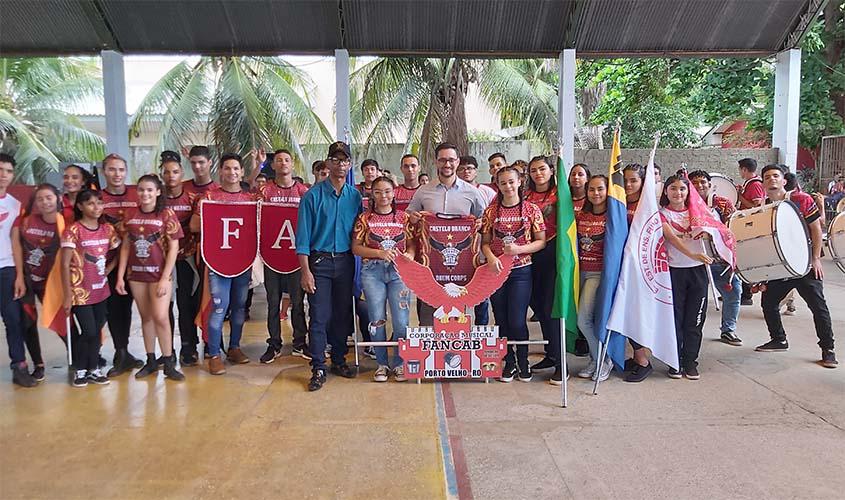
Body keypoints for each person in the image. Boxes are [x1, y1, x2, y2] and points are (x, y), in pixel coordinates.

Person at [754, 164, 837, 368]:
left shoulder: (801, 199)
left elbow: (816, 229)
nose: (771, 179)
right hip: (780, 268)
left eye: (775, 176)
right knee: (768, 303)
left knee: (818, 308)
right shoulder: (763, 207)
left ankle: (828, 349)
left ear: (784, 181)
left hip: (805, 265)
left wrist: (815, 258)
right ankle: (779, 339)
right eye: (767, 177)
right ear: (763, 183)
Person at [296, 141, 362, 391]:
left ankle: (338, 360)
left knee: (342, 315)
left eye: (344, 160)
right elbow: (302, 239)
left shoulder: (354, 196)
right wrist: (306, 271)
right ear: (328, 163)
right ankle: (318, 367)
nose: (340, 164)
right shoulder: (312, 196)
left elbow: (359, 233)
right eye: (335, 160)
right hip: (320, 263)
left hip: (345, 262)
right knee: (320, 316)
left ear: (350, 164)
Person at [190, 153, 258, 375]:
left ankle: (234, 347)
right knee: (219, 308)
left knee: (239, 307)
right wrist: (208, 216)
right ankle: (214, 355)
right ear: (220, 171)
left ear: (241, 172)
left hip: (242, 262)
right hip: (218, 263)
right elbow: (193, 226)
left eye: (236, 168)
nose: (232, 172)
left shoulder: (249, 200)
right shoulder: (209, 198)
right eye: (227, 168)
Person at [407, 142, 488, 327]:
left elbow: (484, 221)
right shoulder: (423, 191)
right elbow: (409, 216)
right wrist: (414, 217)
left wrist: (479, 224)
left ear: (457, 161)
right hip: (430, 264)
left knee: (457, 314)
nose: (447, 164)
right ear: (436, 162)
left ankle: (457, 349)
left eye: (451, 160)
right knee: (428, 314)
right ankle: (428, 352)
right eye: (442, 160)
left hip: (462, 265)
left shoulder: (472, 193)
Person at [115, 175, 185, 381]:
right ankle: (151, 360)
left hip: (158, 275)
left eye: (149, 190)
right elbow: (126, 246)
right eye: (141, 190)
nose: (145, 194)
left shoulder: (166, 214)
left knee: (161, 317)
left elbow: (174, 247)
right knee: (146, 317)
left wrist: (165, 277)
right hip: (136, 274)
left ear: (157, 192)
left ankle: (168, 361)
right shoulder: (129, 214)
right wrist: (120, 276)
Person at [481, 165, 546, 382]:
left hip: (521, 271)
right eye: (503, 183)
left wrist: (519, 249)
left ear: (519, 182)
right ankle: (508, 362)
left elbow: (540, 241)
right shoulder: (491, 211)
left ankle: (523, 360)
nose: (508, 186)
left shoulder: (531, 210)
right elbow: (485, 242)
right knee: (501, 319)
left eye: (511, 181)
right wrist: (490, 257)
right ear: (497, 185)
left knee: (517, 320)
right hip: (497, 273)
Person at [352, 176, 415, 382]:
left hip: (399, 273)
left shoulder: (403, 218)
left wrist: (410, 255)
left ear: (394, 192)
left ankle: (399, 363)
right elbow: (356, 247)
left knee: (401, 321)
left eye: (387, 191)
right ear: (371, 194)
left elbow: (412, 243)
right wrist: (379, 253)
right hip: (372, 272)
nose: (383, 196)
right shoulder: (364, 219)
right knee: (376, 319)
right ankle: (381, 364)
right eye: (378, 192)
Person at [61, 189, 121, 387]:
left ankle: (93, 368)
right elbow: (64, 264)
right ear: (80, 206)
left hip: (101, 290)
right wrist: (68, 294)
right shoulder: (73, 231)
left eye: (99, 202)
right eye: (90, 203)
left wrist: (108, 270)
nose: (96, 207)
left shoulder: (108, 230)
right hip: (80, 291)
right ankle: (80, 369)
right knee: (88, 330)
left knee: (96, 331)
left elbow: (118, 252)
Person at [257, 149, 311, 363]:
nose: (283, 163)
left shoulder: (303, 192)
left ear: (292, 164)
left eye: (287, 160)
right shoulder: (264, 191)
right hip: (272, 256)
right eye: (278, 160)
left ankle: (299, 342)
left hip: (297, 257)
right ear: (273, 165)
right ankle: (274, 343)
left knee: (298, 302)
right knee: (273, 302)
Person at [660, 174, 714, 380]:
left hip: (698, 271)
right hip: (673, 271)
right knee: (675, 319)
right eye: (673, 188)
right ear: (666, 191)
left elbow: (717, 233)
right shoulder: (661, 214)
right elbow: (671, 238)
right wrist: (692, 253)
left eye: (682, 189)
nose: (678, 193)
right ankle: (674, 361)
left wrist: (708, 234)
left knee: (695, 320)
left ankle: (690, 361)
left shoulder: (700, 212)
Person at [12, 184, 64, 383]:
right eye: (40, 199)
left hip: (51, 282)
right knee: (27, 322)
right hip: (27, 280)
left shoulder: (63, 222)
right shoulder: (25, 221)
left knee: (61, 322)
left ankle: (76, 357)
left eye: (49, 197)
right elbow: (16, 245)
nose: (45, 202)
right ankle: (38, 364)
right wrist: (18, 275)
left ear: (58, 198)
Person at [98, 153, 144, 377]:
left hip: (139, 261)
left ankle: (154, 354)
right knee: (115, 310)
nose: (116, 174)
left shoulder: (137, 194)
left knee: (138, 310)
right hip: (107, 264)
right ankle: (120, 352)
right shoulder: (98, 197)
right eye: (111, 169)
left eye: (120, 170)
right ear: (104, 172)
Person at [688, 170, 743, 347]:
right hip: (694, 260)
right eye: (694, 183)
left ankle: (728, 329)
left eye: (703, 182)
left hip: (719, 259)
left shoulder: (722, 203)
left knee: (733, 292)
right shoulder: (684, 203)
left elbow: (734, 227)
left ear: (710, 184)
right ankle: (689, 334)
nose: (699, 186)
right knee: (695, 300)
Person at [525, 156, 564, 385]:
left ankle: (560, 363)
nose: (538, 173)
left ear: (551, 171)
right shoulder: (526, 196)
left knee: (550, 308)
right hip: (530, 252)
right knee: (536, 305)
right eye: (533, 170)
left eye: (542, 169)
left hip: (553, 251)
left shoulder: (561, 195)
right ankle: (550, 354)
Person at [0, 154, 38, 387]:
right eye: (0, 169)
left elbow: (15, 241)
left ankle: (20, 366)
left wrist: (20, 275)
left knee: (13, 320)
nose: (3, 174)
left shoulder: (14, 205)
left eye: (8, 171)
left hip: (7, 269)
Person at [574, 175, 615, 382]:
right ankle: (595, 358)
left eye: (600, 189)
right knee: (585, 320)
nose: (596, 193)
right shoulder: (582, 215)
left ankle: (603, 360)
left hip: (598, 274)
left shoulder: (613, 216)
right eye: (591, 189)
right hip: (578, 273)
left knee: (584, 320)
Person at [620, 163, 654, 382]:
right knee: (623, 312)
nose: (629, 184)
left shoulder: (647, 205)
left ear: (643, 182)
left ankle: (643, 361)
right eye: (626, 180)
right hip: (621, 265)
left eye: (634, 180)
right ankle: (635, 356)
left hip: (641, 268)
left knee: (636, 313)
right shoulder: (618, 202)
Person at [568, 162, 591, 357]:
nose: (576, 177)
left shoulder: (594, 200)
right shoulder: (564, 199)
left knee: (586, 305)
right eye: (573, 174)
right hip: (570, 257)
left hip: (590, 259)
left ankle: (586, 340)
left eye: (580, 174)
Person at [737, 158, 764, 307]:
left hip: (750, 225)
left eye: (740, 169)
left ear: (745, 169)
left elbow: (756, 206)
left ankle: (746, 294)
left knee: (746, 259)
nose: (740, 172)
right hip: (745, 224)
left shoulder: (755, 185)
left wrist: (739, 197)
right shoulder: (750, 184)